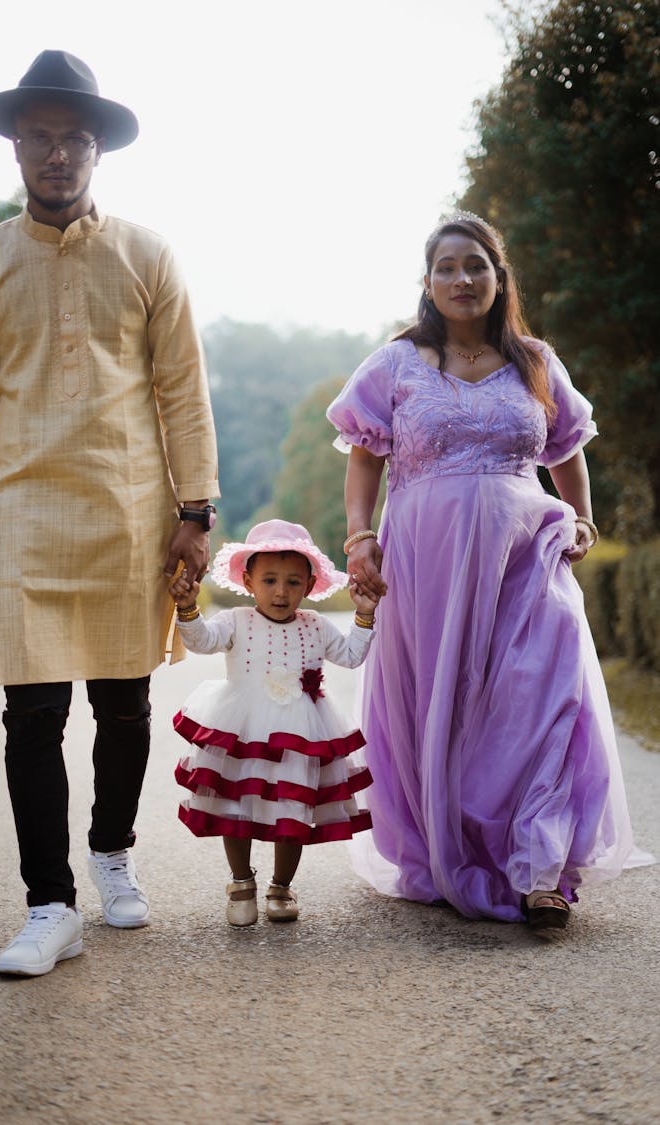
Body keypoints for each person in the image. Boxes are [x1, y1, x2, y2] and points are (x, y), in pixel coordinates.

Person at [0, 50, 219, 975]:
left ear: (98, 150)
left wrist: (195, 510)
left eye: (75, 140)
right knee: (32, 715)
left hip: (129, 509)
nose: (58, 155)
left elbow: (182, 388)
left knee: (125, 707)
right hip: (20, 512)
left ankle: (112, 853)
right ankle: (48, 902)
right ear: (17, 145)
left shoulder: (146, 253)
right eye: (41, 137)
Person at [326, 213, 651, 933]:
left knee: (538, 698)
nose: (462, 279)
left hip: (525, 554)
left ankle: (539, 868)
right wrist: (358, 536)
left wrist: (582, 514)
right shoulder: (395, 363)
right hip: (426, 559)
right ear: (428, 283)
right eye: (447, 267)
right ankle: (464, 847)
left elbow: (567, 443)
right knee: (446, 711)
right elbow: (364, 454)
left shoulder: (535, 360)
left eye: (476, 265)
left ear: (499, 277)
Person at [169, 519, 379, 925]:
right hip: (244, 728)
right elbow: (202, 641)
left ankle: (282, 886)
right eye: (269, 580)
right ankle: (241, 880)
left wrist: (365, 615)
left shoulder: (315, 626)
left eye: (293, 582)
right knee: (237, 805)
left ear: (309, 584)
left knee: (292, 810)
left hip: (300, 734)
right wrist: (187, 608)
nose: (281, 592)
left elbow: (351, 655)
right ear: (248, 582)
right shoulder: (236, 621)